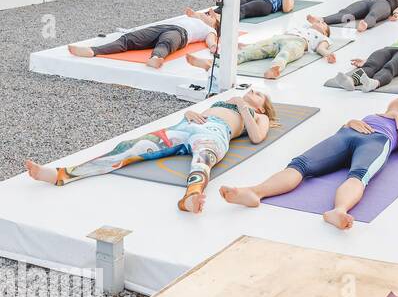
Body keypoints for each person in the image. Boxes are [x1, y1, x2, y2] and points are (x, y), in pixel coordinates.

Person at [26, 89, 277, 214]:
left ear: (263, 108)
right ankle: (63, 174)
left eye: (257, 95)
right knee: (128, 148)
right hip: (187, 126)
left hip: (215, 134)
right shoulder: (226, 100)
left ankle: (190, 198)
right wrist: (189, 113)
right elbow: (202, 113)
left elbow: (256, 137)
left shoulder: (257, 115)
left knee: (202, 162)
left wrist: (245, 107)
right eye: (251, 91)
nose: (251, 92)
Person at [220, 98, 398, 231]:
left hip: (377, 141)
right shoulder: (372, 115)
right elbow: (341, 131)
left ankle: (339, 211)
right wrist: (349, 122)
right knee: (300, 164)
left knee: (359, 175)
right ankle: (255, 192)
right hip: (346, 135)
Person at [186, 16, 336, 79]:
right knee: (248, 52)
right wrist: (251, 44)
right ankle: (213, 64)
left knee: (286, 54)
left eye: (324, 24)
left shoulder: (323, 37)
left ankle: (275, 68)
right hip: (278, 38)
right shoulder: (305, 26)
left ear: (324, 32)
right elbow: (312, 17)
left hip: (298, 43)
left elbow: (322, 47)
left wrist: (327, 54)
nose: (321, 22)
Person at [68, 11, 218, 70]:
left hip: (179, 33)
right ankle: (93, 50)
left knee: (166, 43)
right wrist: (195, 14)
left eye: (213, 16)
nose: (209, 14)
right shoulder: (190, 17)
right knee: (128, 39)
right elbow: (195, 13)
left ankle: (155, 58)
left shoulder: (209, 29)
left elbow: (211, 42)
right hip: (162, 27)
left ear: (215, 23)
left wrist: (214, 48)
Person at [326, 32, 398, 91]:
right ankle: (350, 81)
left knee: (390, 66)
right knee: (372, 65)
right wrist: (366, 60)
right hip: (389, 49)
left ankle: (374, 83)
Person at [311, 0, 398, 33]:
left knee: (373, 14)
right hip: (368, 1)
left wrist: (396, 14)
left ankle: (365, 24)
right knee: (346, 12)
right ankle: (322, 19)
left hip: (385, 5)